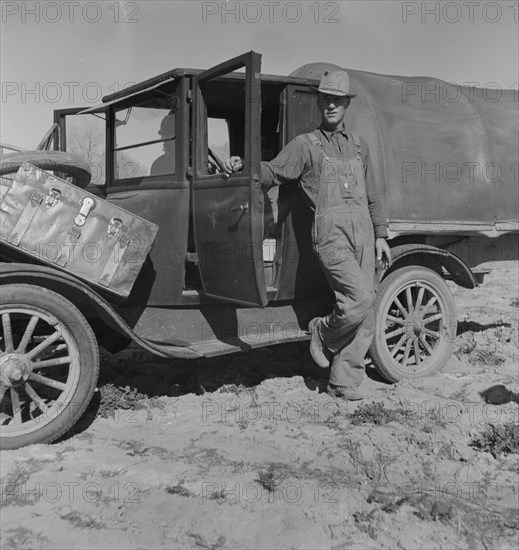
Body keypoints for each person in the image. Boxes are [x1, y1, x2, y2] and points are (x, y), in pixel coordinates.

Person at [223, 70, 392, 401]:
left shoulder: (360, 146)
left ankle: (343, 382)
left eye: (337, 100)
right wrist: (245, 166)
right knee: (359, 299)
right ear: (318, 102)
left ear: (346, 105)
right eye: (325, 99)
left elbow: (374, 194)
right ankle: (322, 331)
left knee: (367, 314)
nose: (331, 105)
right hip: (331, 237)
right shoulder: (305, 145)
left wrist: (381, 235)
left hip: (365, 233)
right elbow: (273, 170)